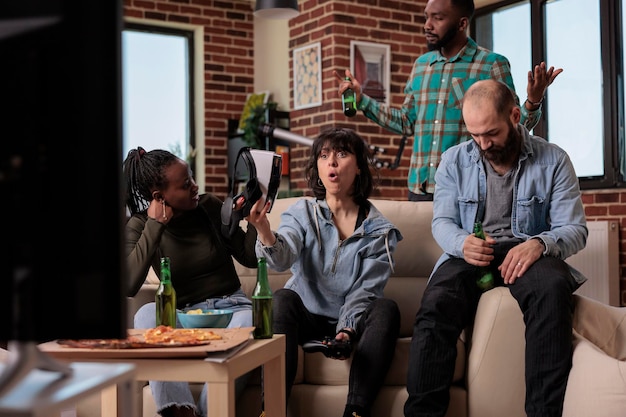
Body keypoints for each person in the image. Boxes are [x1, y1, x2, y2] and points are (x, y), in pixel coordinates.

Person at [404, 79, 587, 417]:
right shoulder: (453, 161)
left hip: (529, 252)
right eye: (474, 135)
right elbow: (441, 222)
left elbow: (575, 229)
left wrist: (539, 243)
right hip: (470, 255)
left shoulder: (555, 160)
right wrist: (463, 243)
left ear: (515, 116)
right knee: (436, 301)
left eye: (491, 133)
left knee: (552, 288)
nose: (483, 144)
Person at [334, 0, 563, 201]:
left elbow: (512, 128)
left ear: (462, 23)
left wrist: (533, 101)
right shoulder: (422, 66)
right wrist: (362, 100)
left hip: (468, 189)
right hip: (420, 189)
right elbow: (406, 122)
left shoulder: (491, 64)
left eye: (438, 18)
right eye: (427, 17)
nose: (427, 25)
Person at [246, 127, 403, 417]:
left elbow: (365, 291)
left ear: (358, 168)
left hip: (351, 322)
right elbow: (282, 258)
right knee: (282, 298)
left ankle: (355, 412)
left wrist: (346, 330)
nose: (331, 162)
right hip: (304, 315)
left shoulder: (381, 231)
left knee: (386, 308)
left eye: (342, 154)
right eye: (324, 155)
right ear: (317, 167)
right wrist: (263, 228)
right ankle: (272, 411)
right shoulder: (302, 212)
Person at [124, 147, 258, 417]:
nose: (195, 187)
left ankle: (210, 413)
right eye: (186, 185)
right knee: (146, 315)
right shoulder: (140, 225)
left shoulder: (208, 206)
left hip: (231, 309)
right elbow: (128, 284)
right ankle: (181, 412)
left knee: (249, 320)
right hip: (184, 316)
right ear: (159, 196)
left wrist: (251, 221)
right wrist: (154, 225)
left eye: (192, 178)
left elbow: (249, 257)